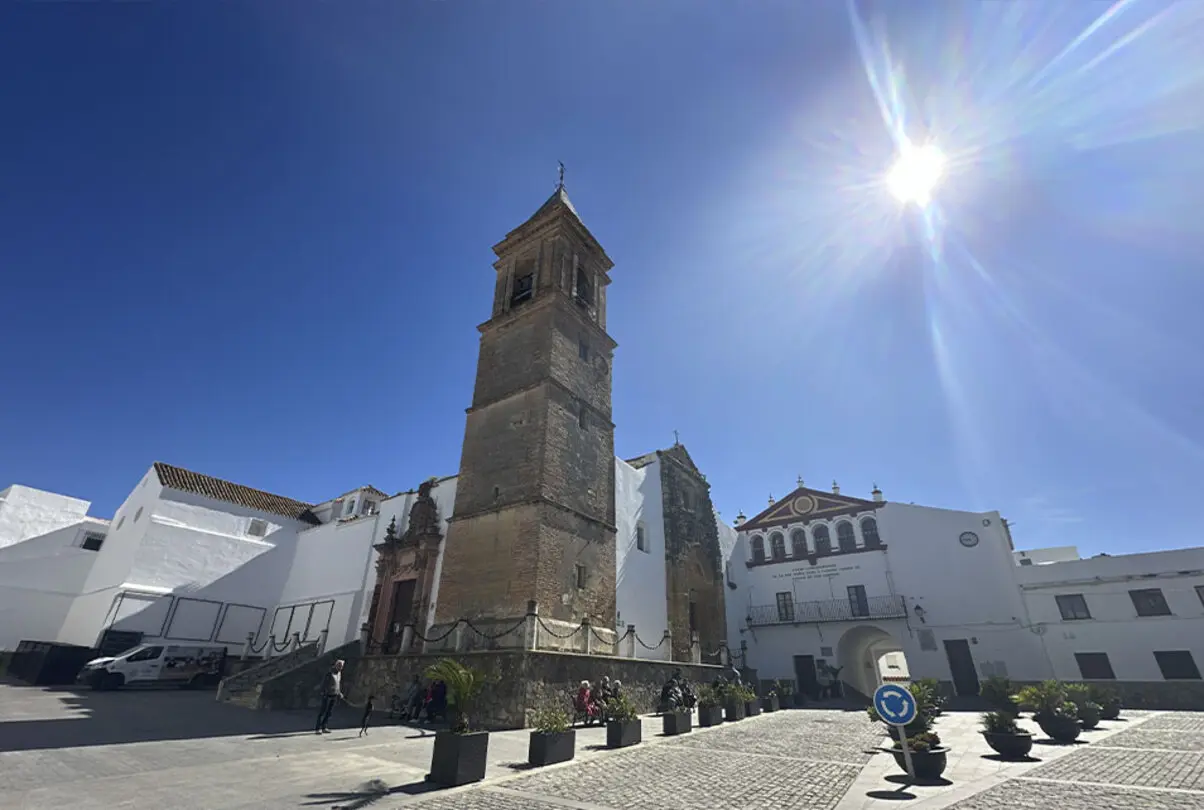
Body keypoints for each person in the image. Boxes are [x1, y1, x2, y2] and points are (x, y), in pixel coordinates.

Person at [315, 659, 345, 734]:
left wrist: (339, 692)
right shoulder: (330, 673)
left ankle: (324, 727)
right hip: (327, 695)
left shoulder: (339, 673)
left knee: (329, 712)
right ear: (336, 665)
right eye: (339, 666)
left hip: (334, 695)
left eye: (341, 666)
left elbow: (338, 684)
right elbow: (324, 683)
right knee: (323, 711)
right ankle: (317, 728)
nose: (340, 668)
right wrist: (324, 693)